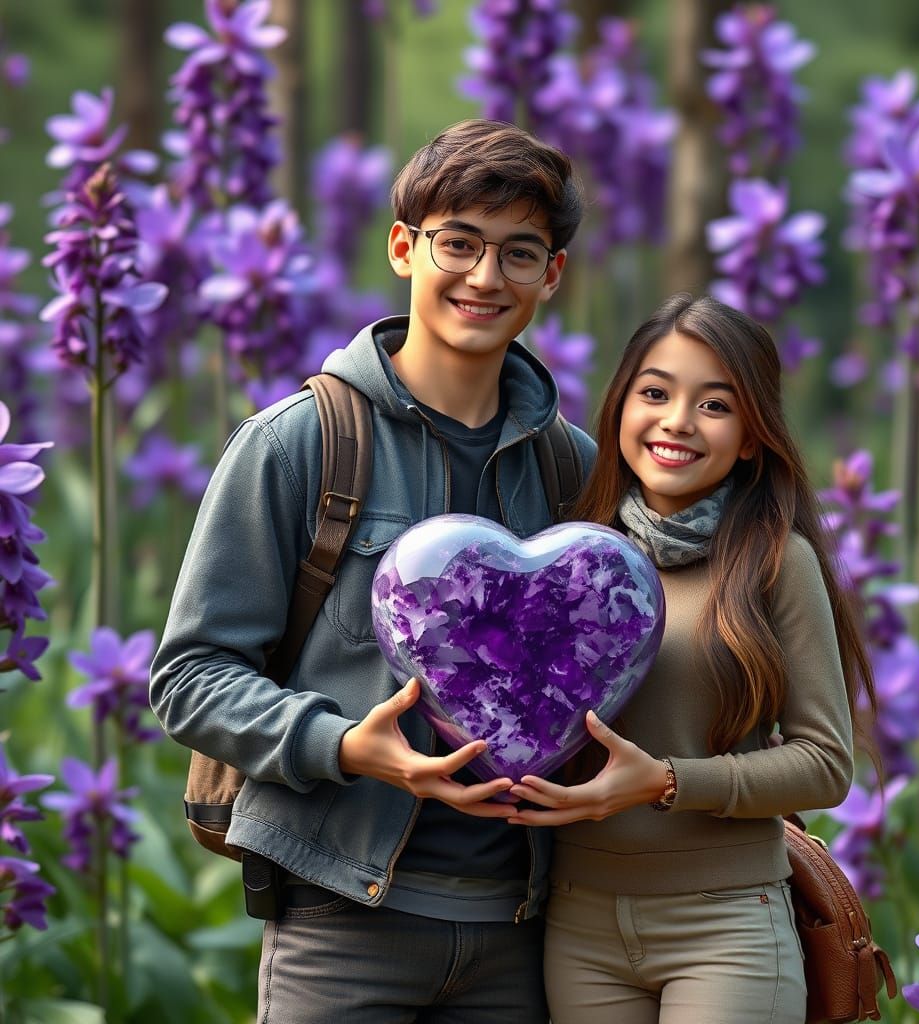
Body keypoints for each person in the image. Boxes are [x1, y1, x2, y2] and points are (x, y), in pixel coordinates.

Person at [150, 119, 595, 1024]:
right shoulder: (300, 442)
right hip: (340, 922)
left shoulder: (574, 471)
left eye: (519, 253)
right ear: (403, 246)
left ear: (551, 276)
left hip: (524, 937)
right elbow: (189, 680)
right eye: (458, 243)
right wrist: (349, 746)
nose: (484, 276)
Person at [506, 293, 875, 1024]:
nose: (677, 421)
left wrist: (667, 782)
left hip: (726, 926)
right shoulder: (569, 554)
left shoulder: (776, 559)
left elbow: (826, 763)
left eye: (714, 405)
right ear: (618, 410)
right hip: (578, 923)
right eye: (655, 393)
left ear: (748, 437)